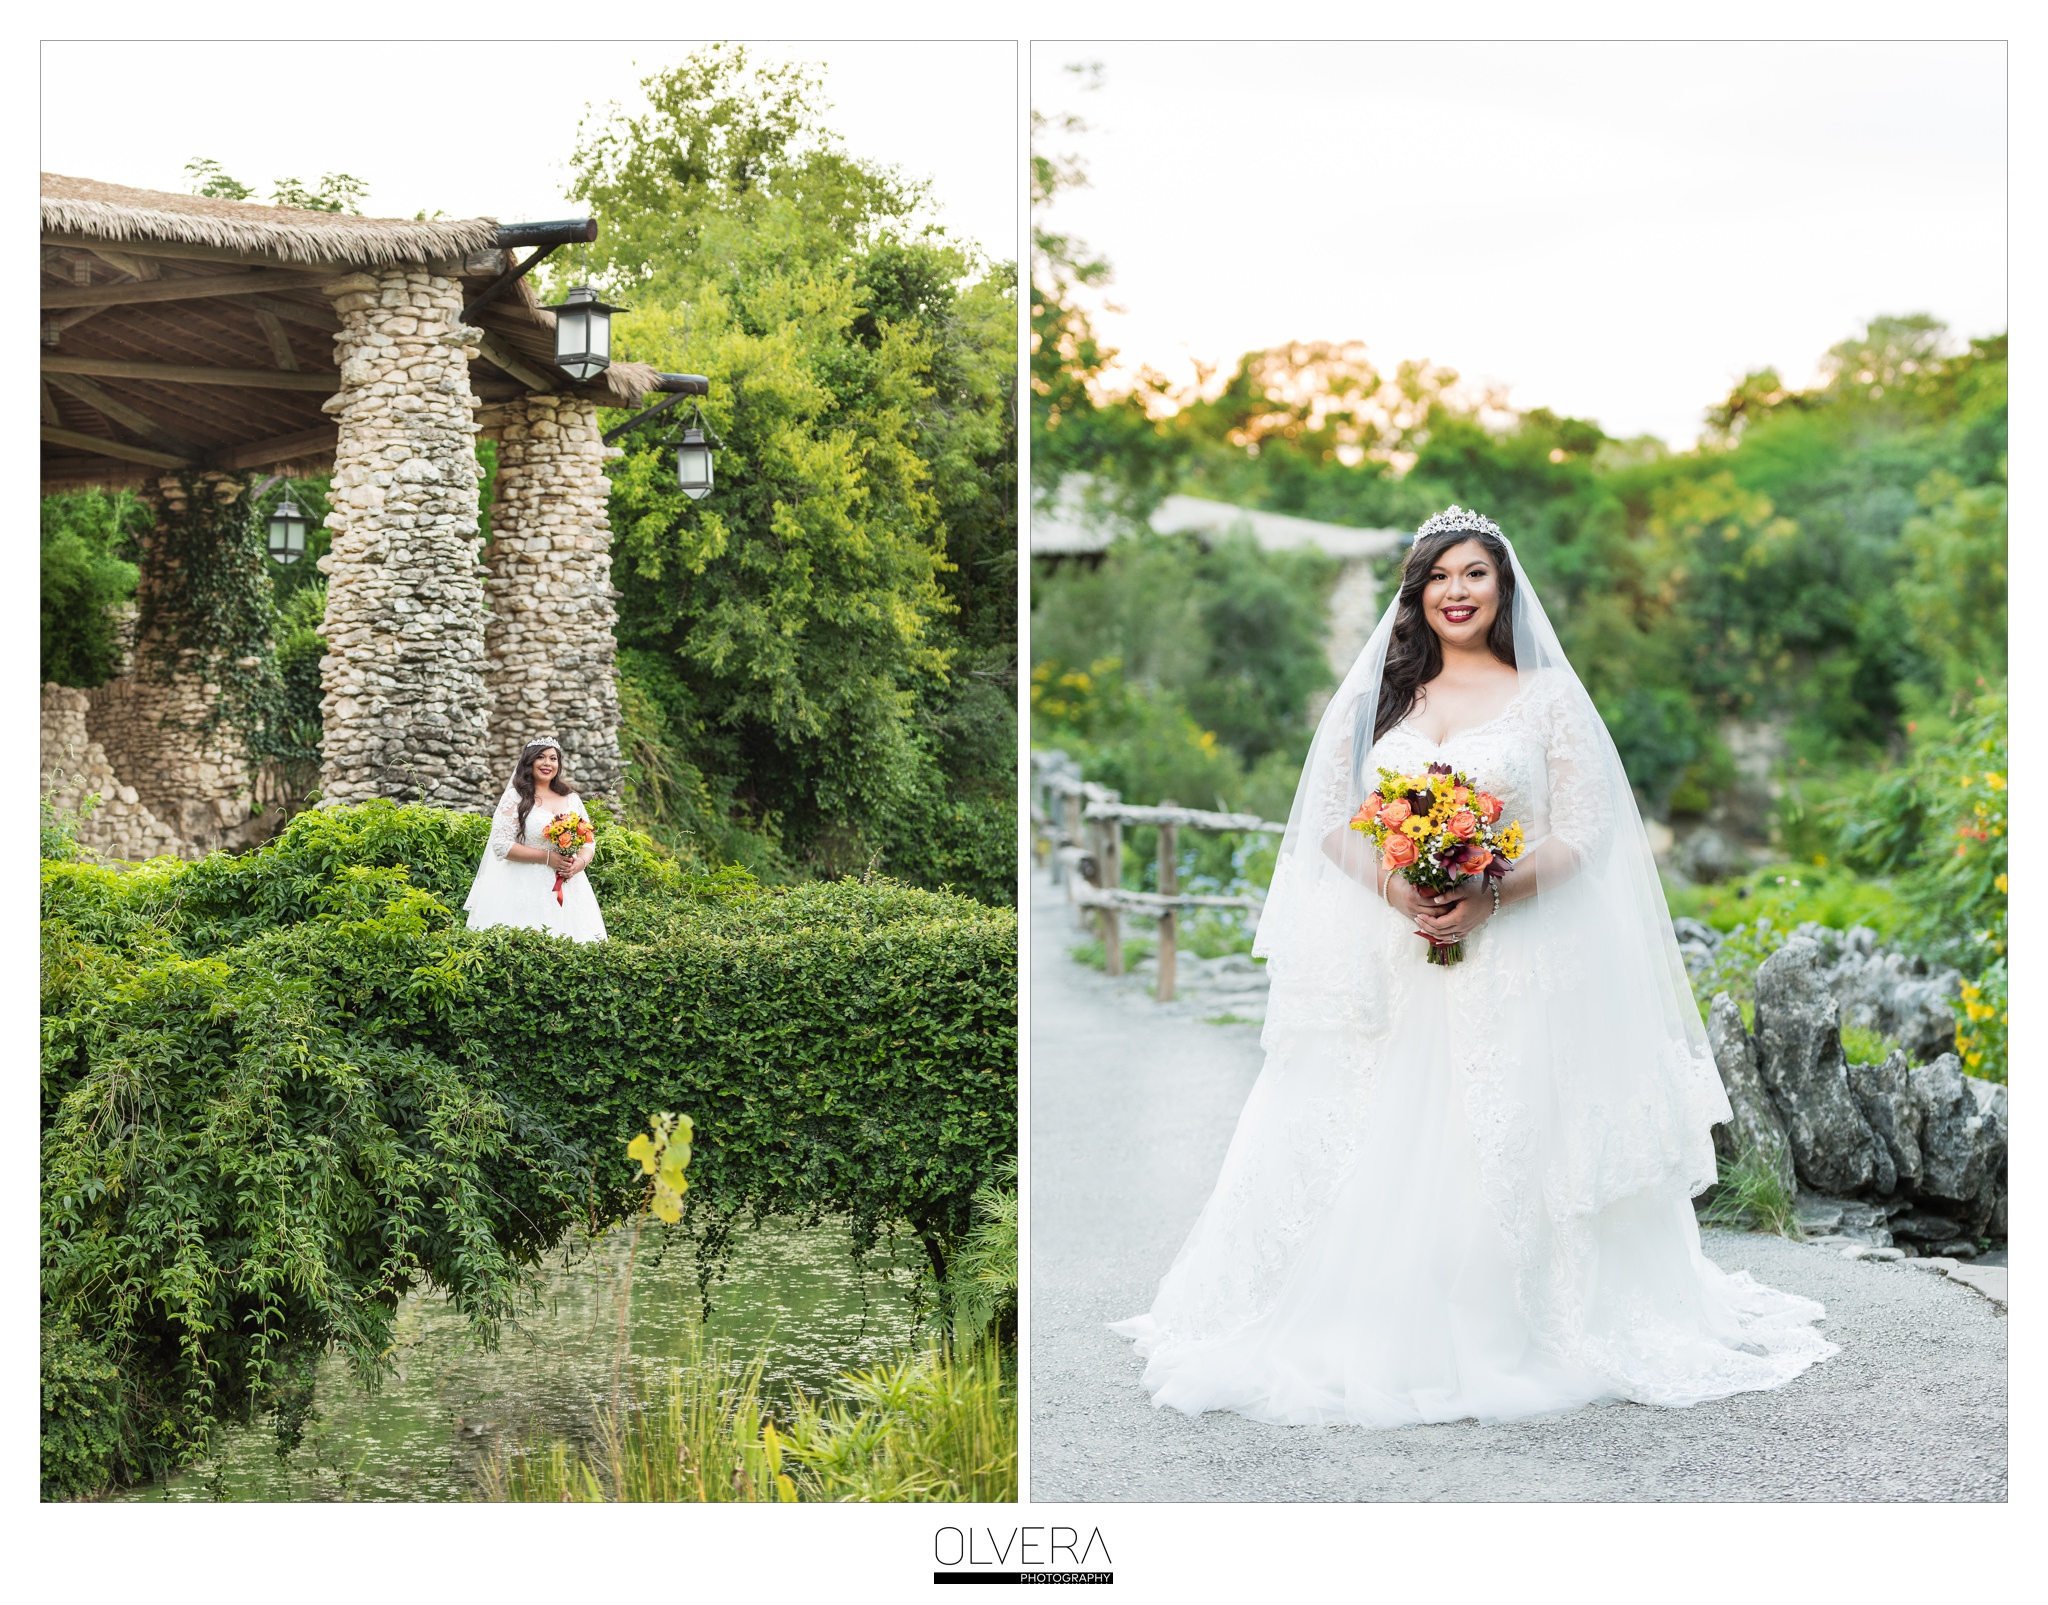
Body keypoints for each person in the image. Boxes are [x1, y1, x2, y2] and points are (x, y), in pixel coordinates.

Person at [1111, 506, 1834, 1427]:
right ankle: (1366, 1317)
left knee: (1507, 1123)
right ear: (1417, 593)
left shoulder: (1547, 697)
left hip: (1519, 952)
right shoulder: (1385, 697)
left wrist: (1491, 891)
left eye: (1474, 574)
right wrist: (1400, 889)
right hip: (1397, 949)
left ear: (1503, 588)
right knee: (1365, 1126)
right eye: (1440, 576)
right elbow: (1329, 815)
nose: (1456, 591)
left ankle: (1524, 1319)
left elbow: (1587, 827)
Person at [463, 736, 607, 943]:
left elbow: (588, 841)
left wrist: (580, 863)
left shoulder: (571, 799)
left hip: (569, 883)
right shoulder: (516, 798)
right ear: (529, 762)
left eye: (553, 758)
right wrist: (548, 858)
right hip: (523, 882)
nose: (548, 763)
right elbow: (501, 845)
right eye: (541, 757)